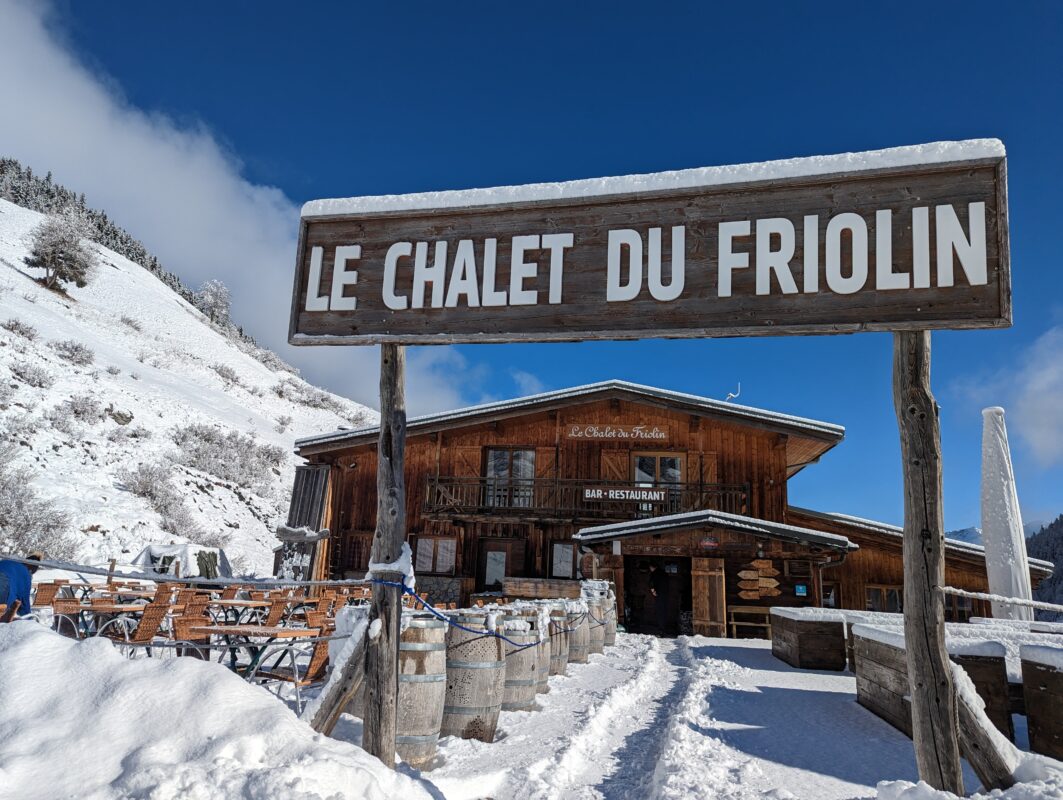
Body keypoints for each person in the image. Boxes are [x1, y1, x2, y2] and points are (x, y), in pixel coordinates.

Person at [0, 552, 42, 618]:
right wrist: (29, 619)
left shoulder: (7, 561)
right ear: (30, 570)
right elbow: (24, 604)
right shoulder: (26, 574)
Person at [649, 563, 670, 634]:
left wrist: (653, 591)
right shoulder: (664, 573)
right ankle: (664, 627)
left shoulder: (653, 573)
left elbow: (651, 583)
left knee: (659, 611)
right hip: (665, 594)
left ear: (652, 567)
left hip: (659, 594)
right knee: (664, 611)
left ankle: (661, 629)